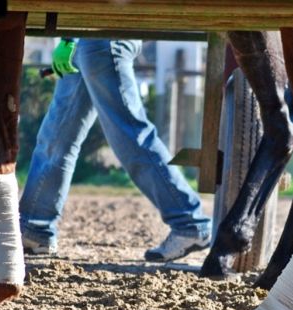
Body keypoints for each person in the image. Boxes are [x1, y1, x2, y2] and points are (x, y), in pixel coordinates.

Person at [19, 38, 212, 261]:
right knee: (56, 136)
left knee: (129, 134)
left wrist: (69, 37)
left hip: (102, 38)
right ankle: (35, 228)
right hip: (82, 37)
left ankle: (189, 223)